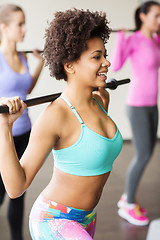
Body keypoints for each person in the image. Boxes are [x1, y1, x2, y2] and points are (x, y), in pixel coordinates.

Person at [0, 8, 123, 239]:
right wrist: (4, 126)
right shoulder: (56, 115)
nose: (107, 62)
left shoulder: (100, 100)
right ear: (70, 65)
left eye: (104, 54)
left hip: (88, 217)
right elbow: (16, 188)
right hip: (54, 219)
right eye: (97, 57)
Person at [111, 1, 160, 226]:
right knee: (142, 155)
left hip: (152, 104)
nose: (159, 20)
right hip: (137, 105)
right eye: (156, 16)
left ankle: (127, 198)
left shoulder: (156, 39)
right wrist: (121, 39)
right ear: (143, 16)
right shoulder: (134, 40)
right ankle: (128, 204)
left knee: (148, 153)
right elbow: (117, 65)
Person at [0, 3, 43, 240]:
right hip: (2, 136)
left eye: (25, 23)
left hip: (25, 131)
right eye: (19, 24)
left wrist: (40, 64)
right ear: (4, 28)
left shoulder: (23, 56)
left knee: (19, 192)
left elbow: (25, 89)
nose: (24, 29)